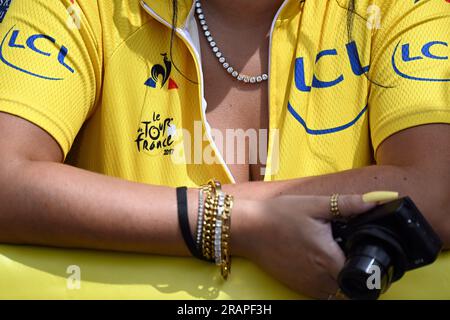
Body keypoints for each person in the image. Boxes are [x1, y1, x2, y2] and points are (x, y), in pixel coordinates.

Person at [0, 0, 448, 299]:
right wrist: (237, 223)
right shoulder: (74, 7)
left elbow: (438, 189)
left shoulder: (402, 8)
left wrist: (223, 220)